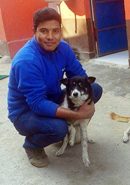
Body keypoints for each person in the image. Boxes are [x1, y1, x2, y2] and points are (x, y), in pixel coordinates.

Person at [7, 7, 103, 168]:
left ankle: (63, 128)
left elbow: (80, 76)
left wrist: (86, 107)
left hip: (51, 97)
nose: (50, 37)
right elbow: (37, 103)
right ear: (34, 31)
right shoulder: (27, 61)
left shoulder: (63, 48)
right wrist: (77, 114)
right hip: (26, 112)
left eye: (55, 31)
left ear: (60, 31)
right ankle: (32, 145)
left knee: (95, 89)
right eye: (44, 31)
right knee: (59, 128)